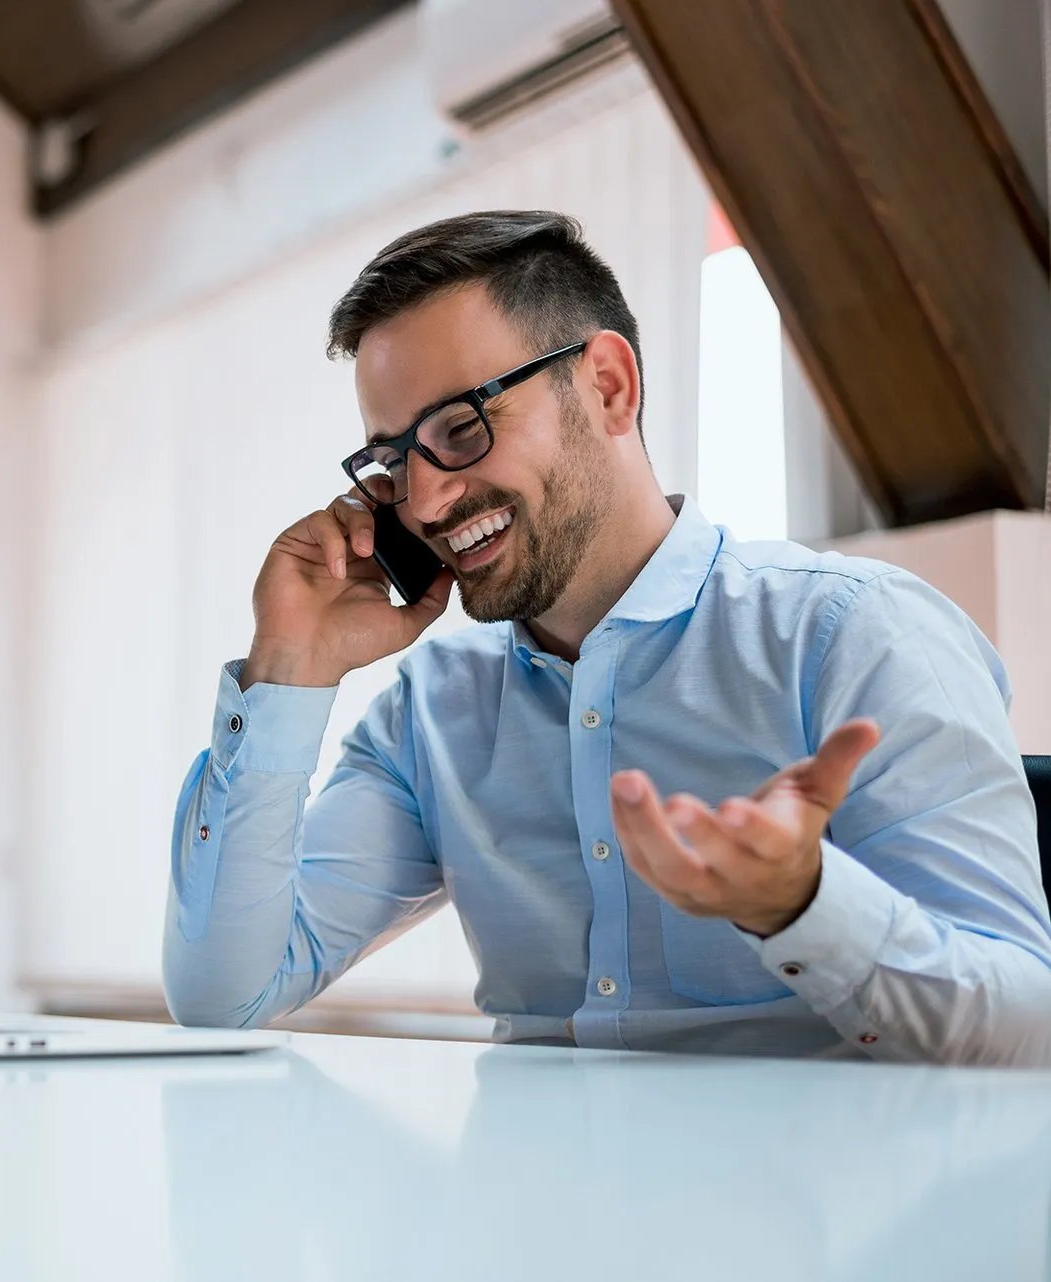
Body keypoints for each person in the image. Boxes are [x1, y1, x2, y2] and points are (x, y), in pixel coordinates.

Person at [162, 210, 1051, 1065]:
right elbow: (223, 997)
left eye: (461, 430)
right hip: (539, 1207)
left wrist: (806, 905)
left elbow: (1028, 1027)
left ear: (608, 388)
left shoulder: (857, 636)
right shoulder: (432, 714)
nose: (425, 503)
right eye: (395, 462)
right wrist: (290, 669)